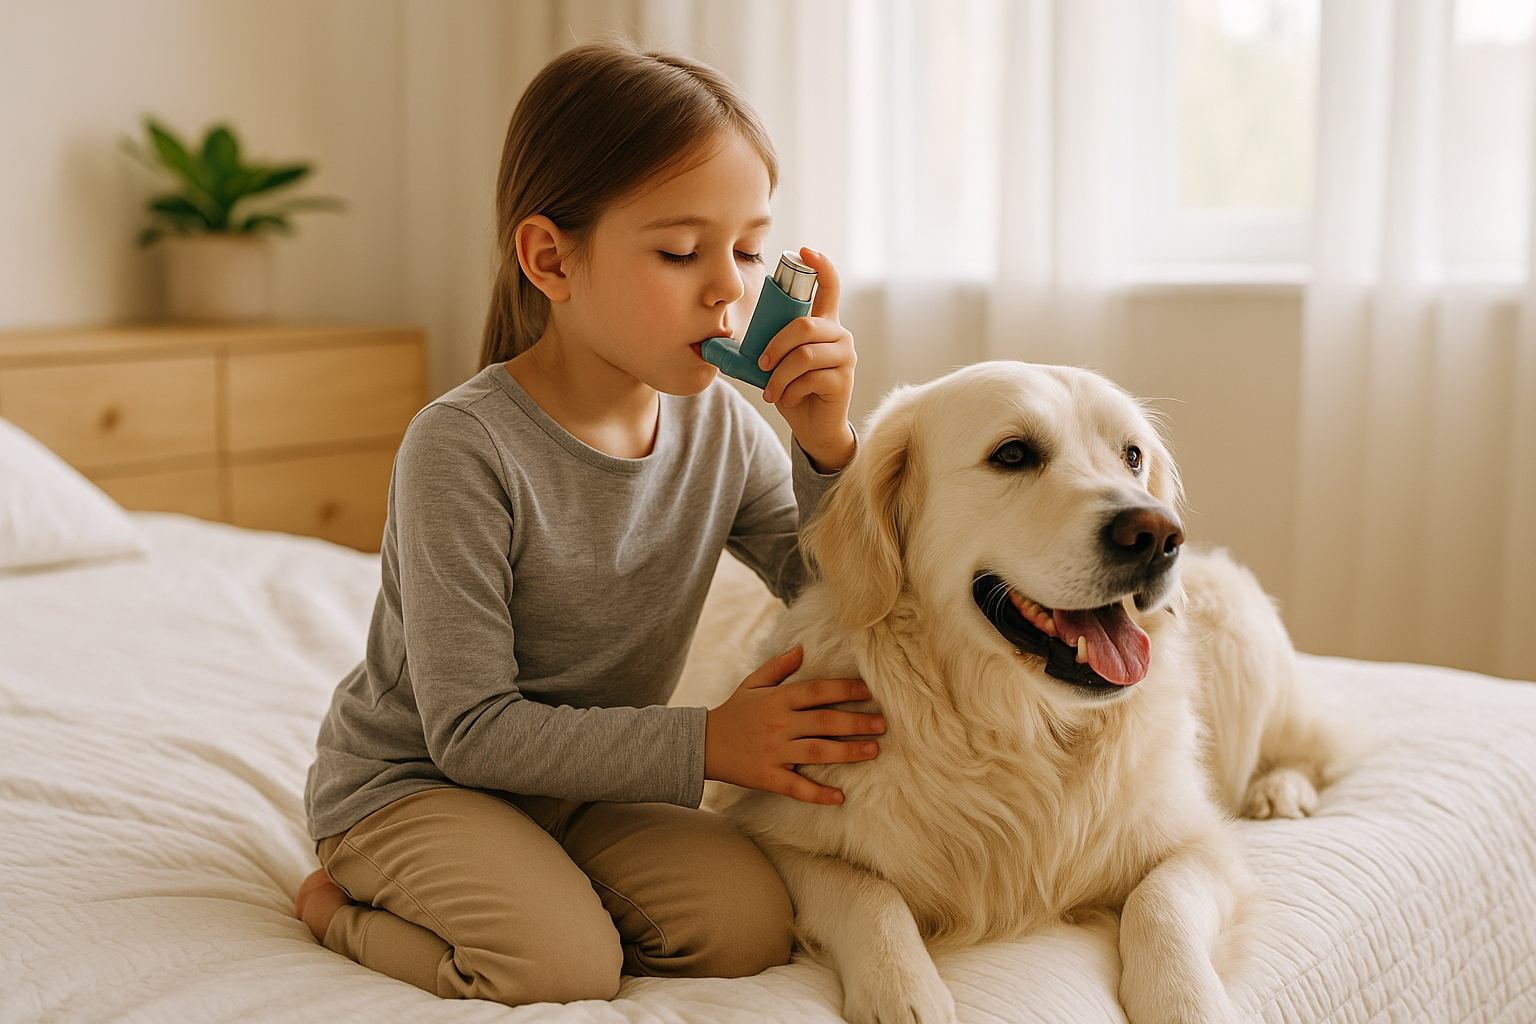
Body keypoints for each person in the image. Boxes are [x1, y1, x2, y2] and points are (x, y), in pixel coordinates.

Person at [291, 35, 887, 1007]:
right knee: (558, 967)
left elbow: (830, 586)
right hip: (418, 784)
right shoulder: (462, 447)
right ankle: (335, 908)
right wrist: (707, 743)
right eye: (681, 251)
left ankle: (540, 880)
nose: (729, 288)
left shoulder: (725, 431)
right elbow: (471, 732)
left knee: (748, 925)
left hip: (588, 787)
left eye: (745, 249)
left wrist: (824, 446)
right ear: (550, 258)